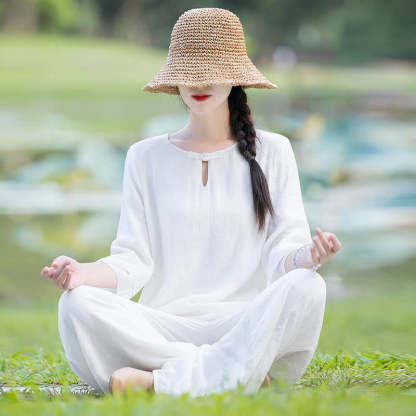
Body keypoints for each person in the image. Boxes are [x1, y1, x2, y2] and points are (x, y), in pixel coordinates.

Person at [41, 8, 341, 397]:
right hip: (163, 327)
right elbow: (133, 261)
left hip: (245, 322)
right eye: (189, 71)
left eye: (211, 71)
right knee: (76, 304)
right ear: (174, 78)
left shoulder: (275, 151)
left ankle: (157, 381)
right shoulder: (144, 156)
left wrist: (309, 256)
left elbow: (282, 256)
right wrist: (81, 273)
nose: (198, 82)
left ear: (234, 76)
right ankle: (235, 371)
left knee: (307, 286)